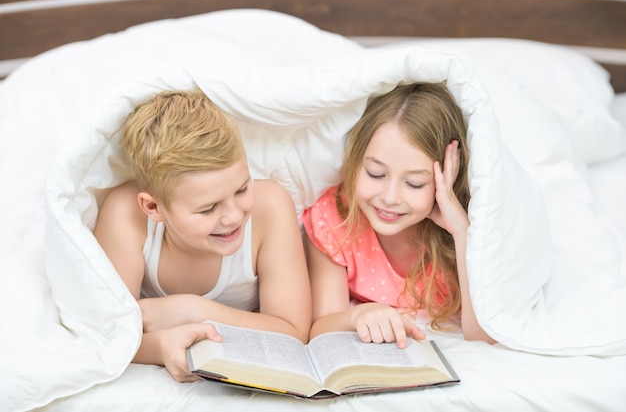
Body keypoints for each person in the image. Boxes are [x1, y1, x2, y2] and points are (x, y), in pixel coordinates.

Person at [94, 90, 312, 382]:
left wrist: (194, 310)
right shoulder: (125, 215)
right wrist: (159, 347)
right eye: (208, 209)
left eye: (242, 189)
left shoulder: (269, 207)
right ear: (153, 207)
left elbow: (294, 331)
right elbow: (107, 333)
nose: (234, 216)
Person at [302, 82, 495, 348]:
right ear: (355, 161)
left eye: (415, 183)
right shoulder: (335, 216)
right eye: (376, 174)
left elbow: (482, 335)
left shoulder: (470, 220)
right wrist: (357, 314)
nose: (390, 198)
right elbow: (322, 326)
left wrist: (461, 232)